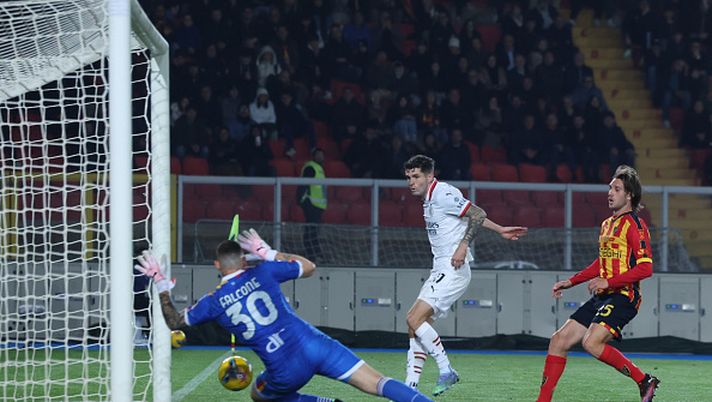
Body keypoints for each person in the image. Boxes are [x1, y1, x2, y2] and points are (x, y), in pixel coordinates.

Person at [136, 232, 433, 402]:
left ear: (216, 265)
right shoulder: (264, 270)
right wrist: (267, 251)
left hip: (283, 368)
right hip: (315, 344)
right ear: (244, 259)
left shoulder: (212, 302)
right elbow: (309, 266)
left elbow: (174, 322)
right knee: (378, 383)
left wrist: (161, 285)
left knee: (258, 395)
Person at [401, 155, 528, 396]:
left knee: (413, 319)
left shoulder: (442, 193)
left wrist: (462, 246)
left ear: (430, 176)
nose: (411, 182)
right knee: (415, 326)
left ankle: (446, 370)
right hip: (440, 268)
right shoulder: (429, 199)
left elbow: (477, 214)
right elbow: (471, 214)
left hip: (453, 269)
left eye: (416, 176)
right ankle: (410, 388)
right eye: (408, 177)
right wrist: (500, 229)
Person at [536, 165, 660, 402]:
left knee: (591, 343)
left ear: (629, 194)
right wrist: (571, 282)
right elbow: (601, 263)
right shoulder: (607, 224)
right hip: (604, 296)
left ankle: (644, 380)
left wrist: (608, 281)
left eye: (617, 188)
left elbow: (646, 268)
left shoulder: (636, 225)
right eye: (609, 188)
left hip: (625, 296)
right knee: (558, 340)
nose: (610, 193)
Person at [298, 148, 326, 262]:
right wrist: (302, 199)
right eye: (318, 155)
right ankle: (312, 254)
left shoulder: (319, 169)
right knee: (311, 231)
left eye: (322, 155)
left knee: (313, 230)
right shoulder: (311, 167)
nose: (320, 157)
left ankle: (314, 253)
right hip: (311, 203)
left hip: (317, 205)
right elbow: (303, 185)